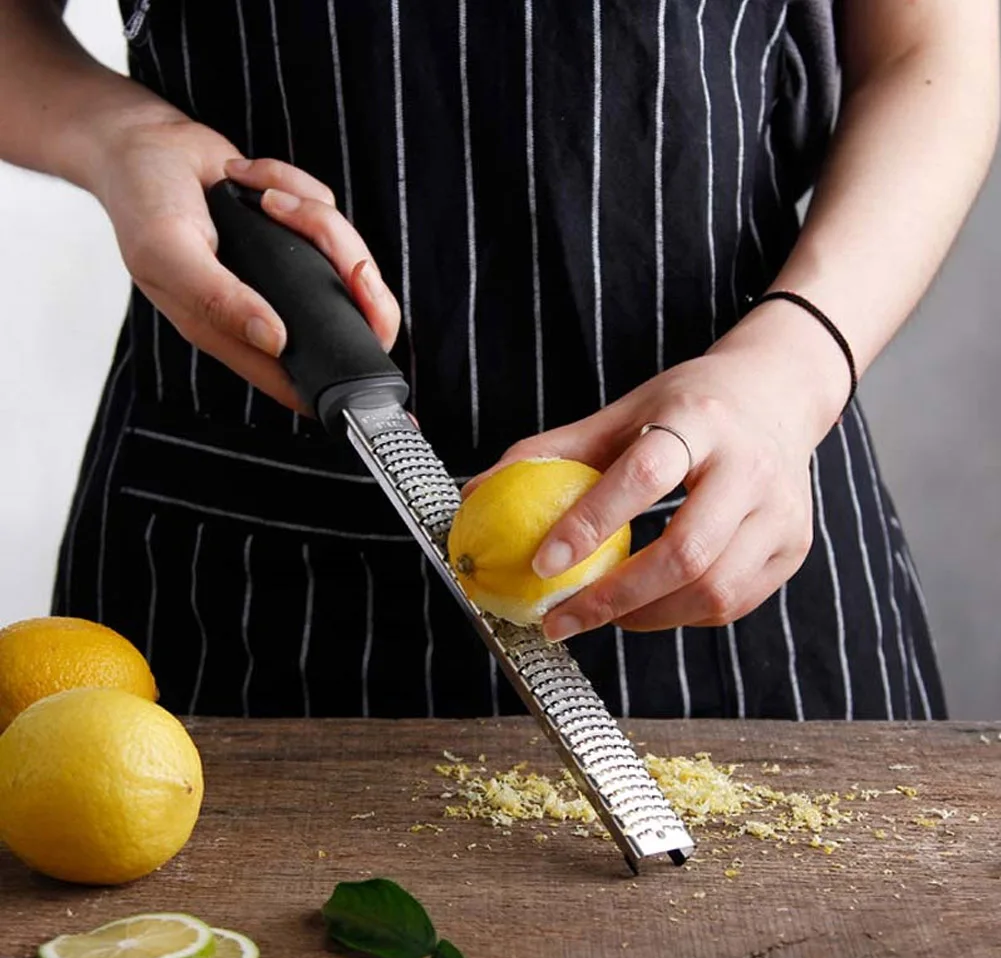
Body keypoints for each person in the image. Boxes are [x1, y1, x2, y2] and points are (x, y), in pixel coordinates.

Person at [2, 0, 996, 721]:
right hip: (243, 565)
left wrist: (795, 363)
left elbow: (932, 43)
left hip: (732, 527)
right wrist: (119, 132)